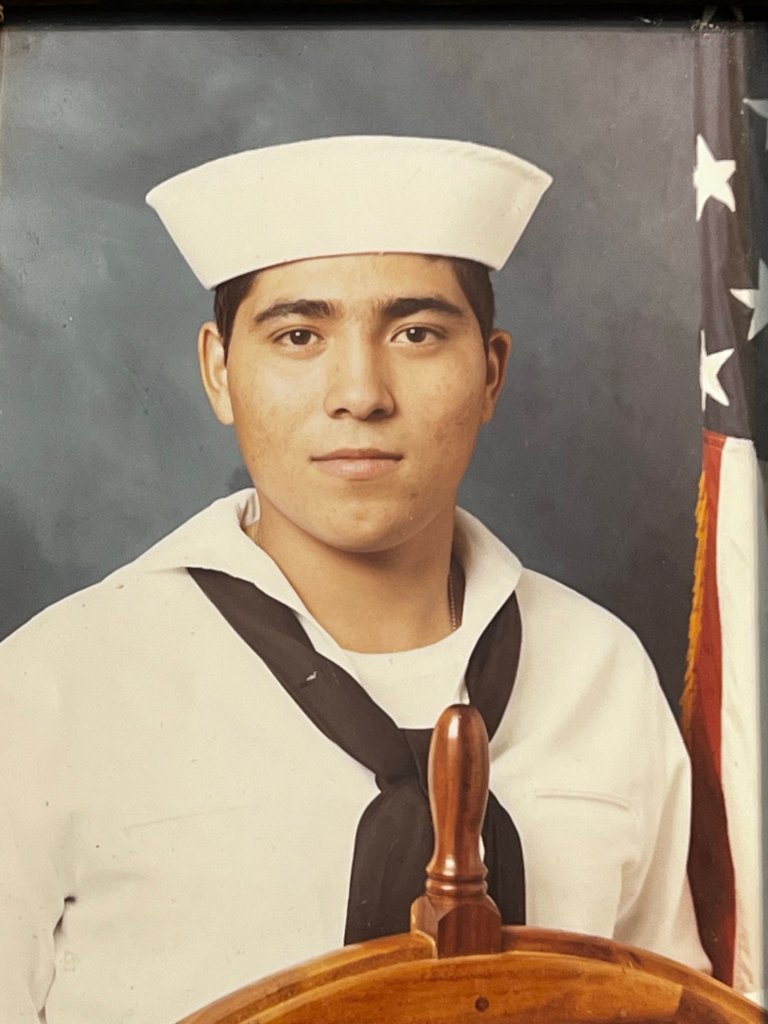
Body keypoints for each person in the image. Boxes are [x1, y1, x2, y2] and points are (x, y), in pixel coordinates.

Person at [0, 136, 708, 1024]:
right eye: (299, 336)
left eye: (417, 334)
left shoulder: (601, 670)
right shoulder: (56, 685)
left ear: (491, 372)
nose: (361, 393)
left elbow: (670, 1003)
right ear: (219, 370)